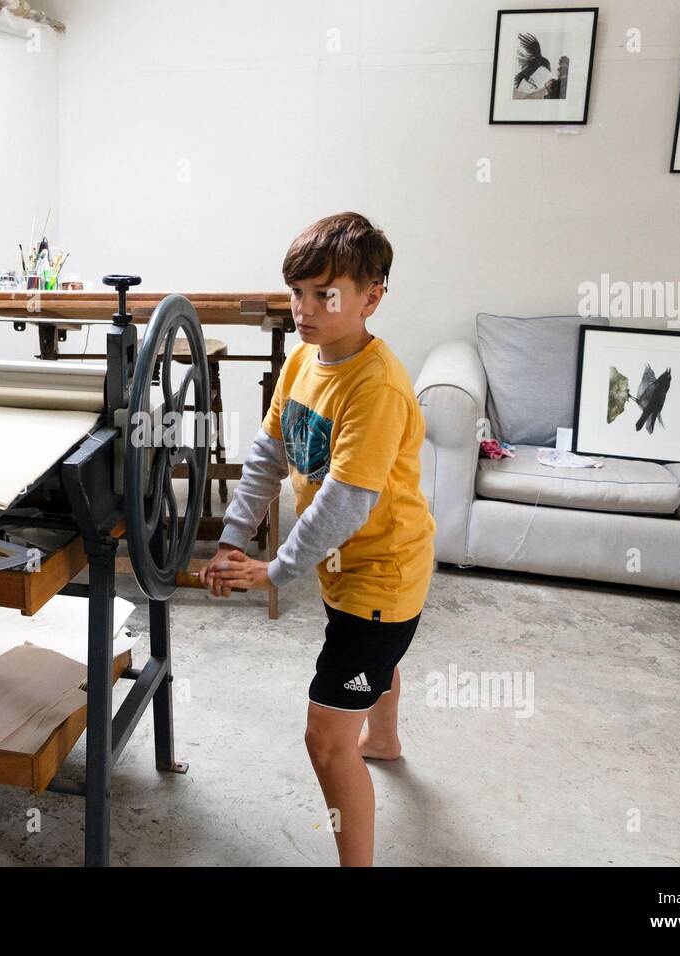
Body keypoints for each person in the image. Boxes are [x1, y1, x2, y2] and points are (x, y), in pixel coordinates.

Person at [200, 211, 436, 866]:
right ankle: (384, 742)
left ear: (371, 297)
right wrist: (231, 539)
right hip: (349, 569)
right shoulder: (303, 360)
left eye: (323, 295)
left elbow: (344, 502)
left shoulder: (377, 386)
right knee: (376, 664)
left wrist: (273, 570)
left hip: (382, 574)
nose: (303, 309)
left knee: (328, 741)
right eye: (297, 293)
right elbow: (268, 453)